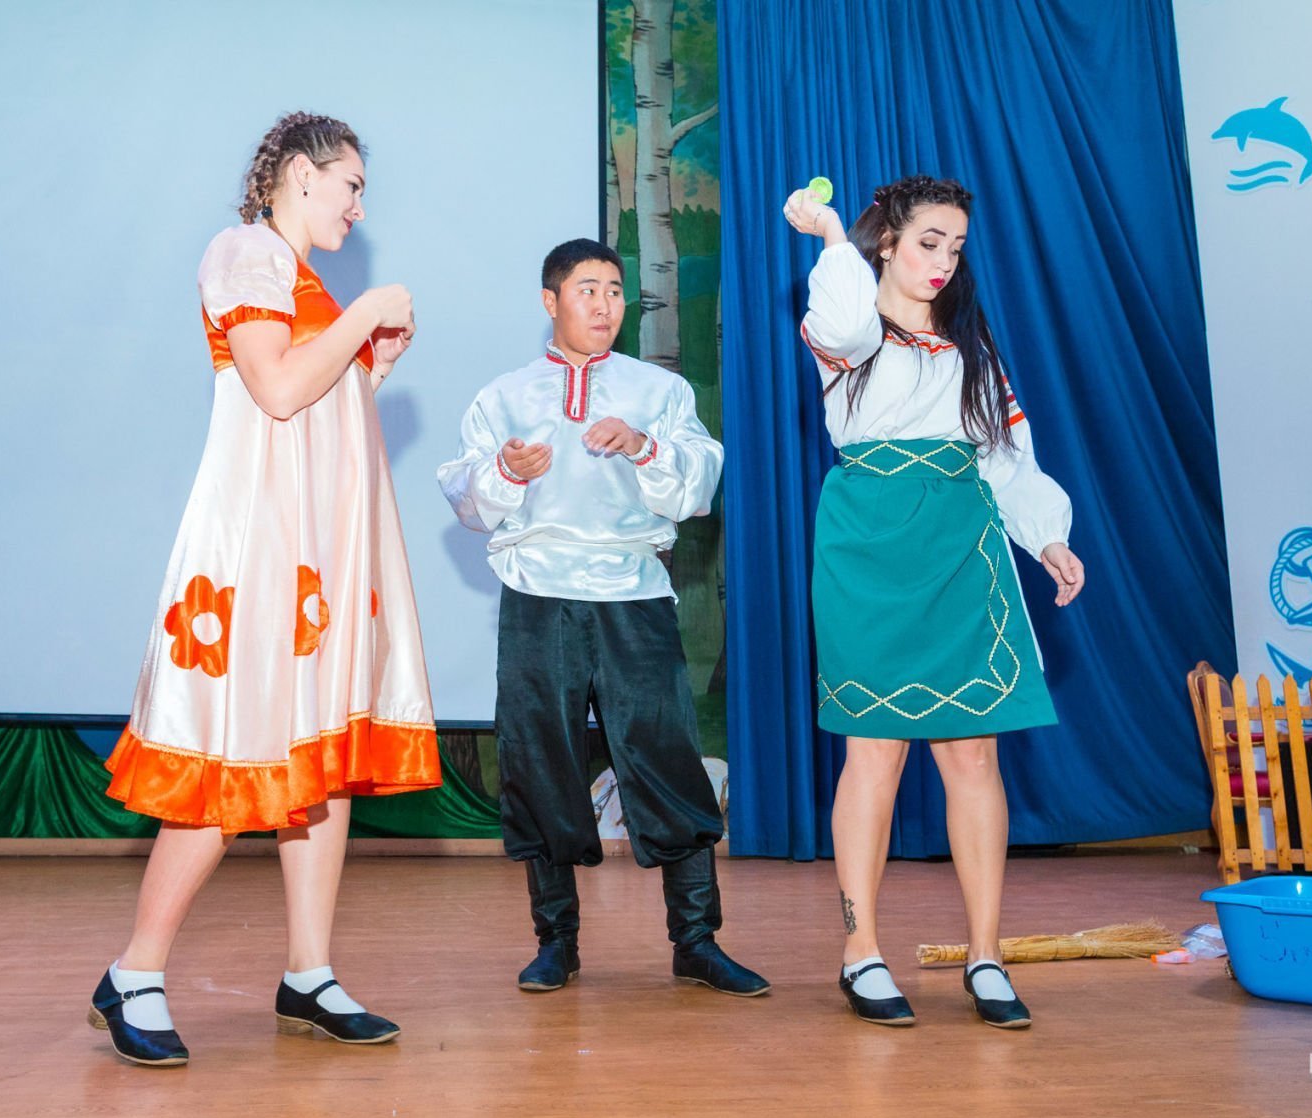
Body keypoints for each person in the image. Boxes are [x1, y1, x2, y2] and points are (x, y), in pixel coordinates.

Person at [88, 112, 441, 1067]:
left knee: (317, 765)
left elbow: (310, 416)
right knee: (232, 759)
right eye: (351, 184)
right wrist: (365, 318)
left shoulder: (305, 279)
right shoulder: (246, 252)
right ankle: (135, 973)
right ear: (298, 172)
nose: (359, 207)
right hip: (257, 549)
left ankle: (308, 974)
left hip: (311, 557)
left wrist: (371, 369)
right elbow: (276, 390)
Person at [783, 175, 1085, 1028]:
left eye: (955, 246)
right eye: (927, 242)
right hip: (869, 543)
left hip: (961, 545)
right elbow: (844, 318)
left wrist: (1047, 537)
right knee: (874, 753)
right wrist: (834, 237)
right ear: (888, 243)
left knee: (974, 756)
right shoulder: (848, 327)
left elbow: (1007, 455)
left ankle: (986, 955)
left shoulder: (971, 347)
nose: (944, 260)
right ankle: (861, 950)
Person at [437, 238, 767, 998]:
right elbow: (466, 498)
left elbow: (697, 485)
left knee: (667, 757)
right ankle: (555, 942)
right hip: (537, 593)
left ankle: (696, 940)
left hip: (633, 592)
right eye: (587, 289)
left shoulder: (659, 390)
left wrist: (644, 445)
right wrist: (504, 471)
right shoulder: (503, 396)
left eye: (615, 290)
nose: (605, 304)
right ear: (550, 301)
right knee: (540, 761)